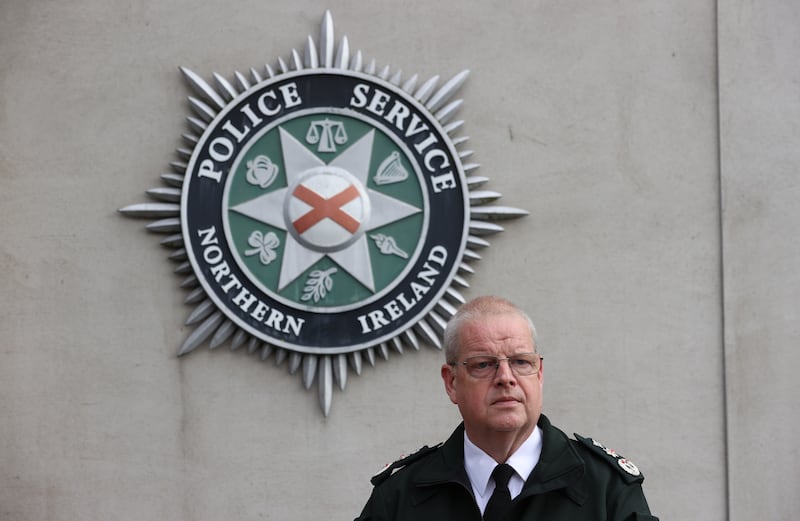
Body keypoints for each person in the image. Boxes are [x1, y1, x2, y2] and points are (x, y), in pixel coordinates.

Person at [354, 296, 658, 521]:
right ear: (451, 383)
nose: (505, 378)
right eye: (483, 364)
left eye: (521, 362)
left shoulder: (606, 488)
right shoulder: (398, 496)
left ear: (539, 374)